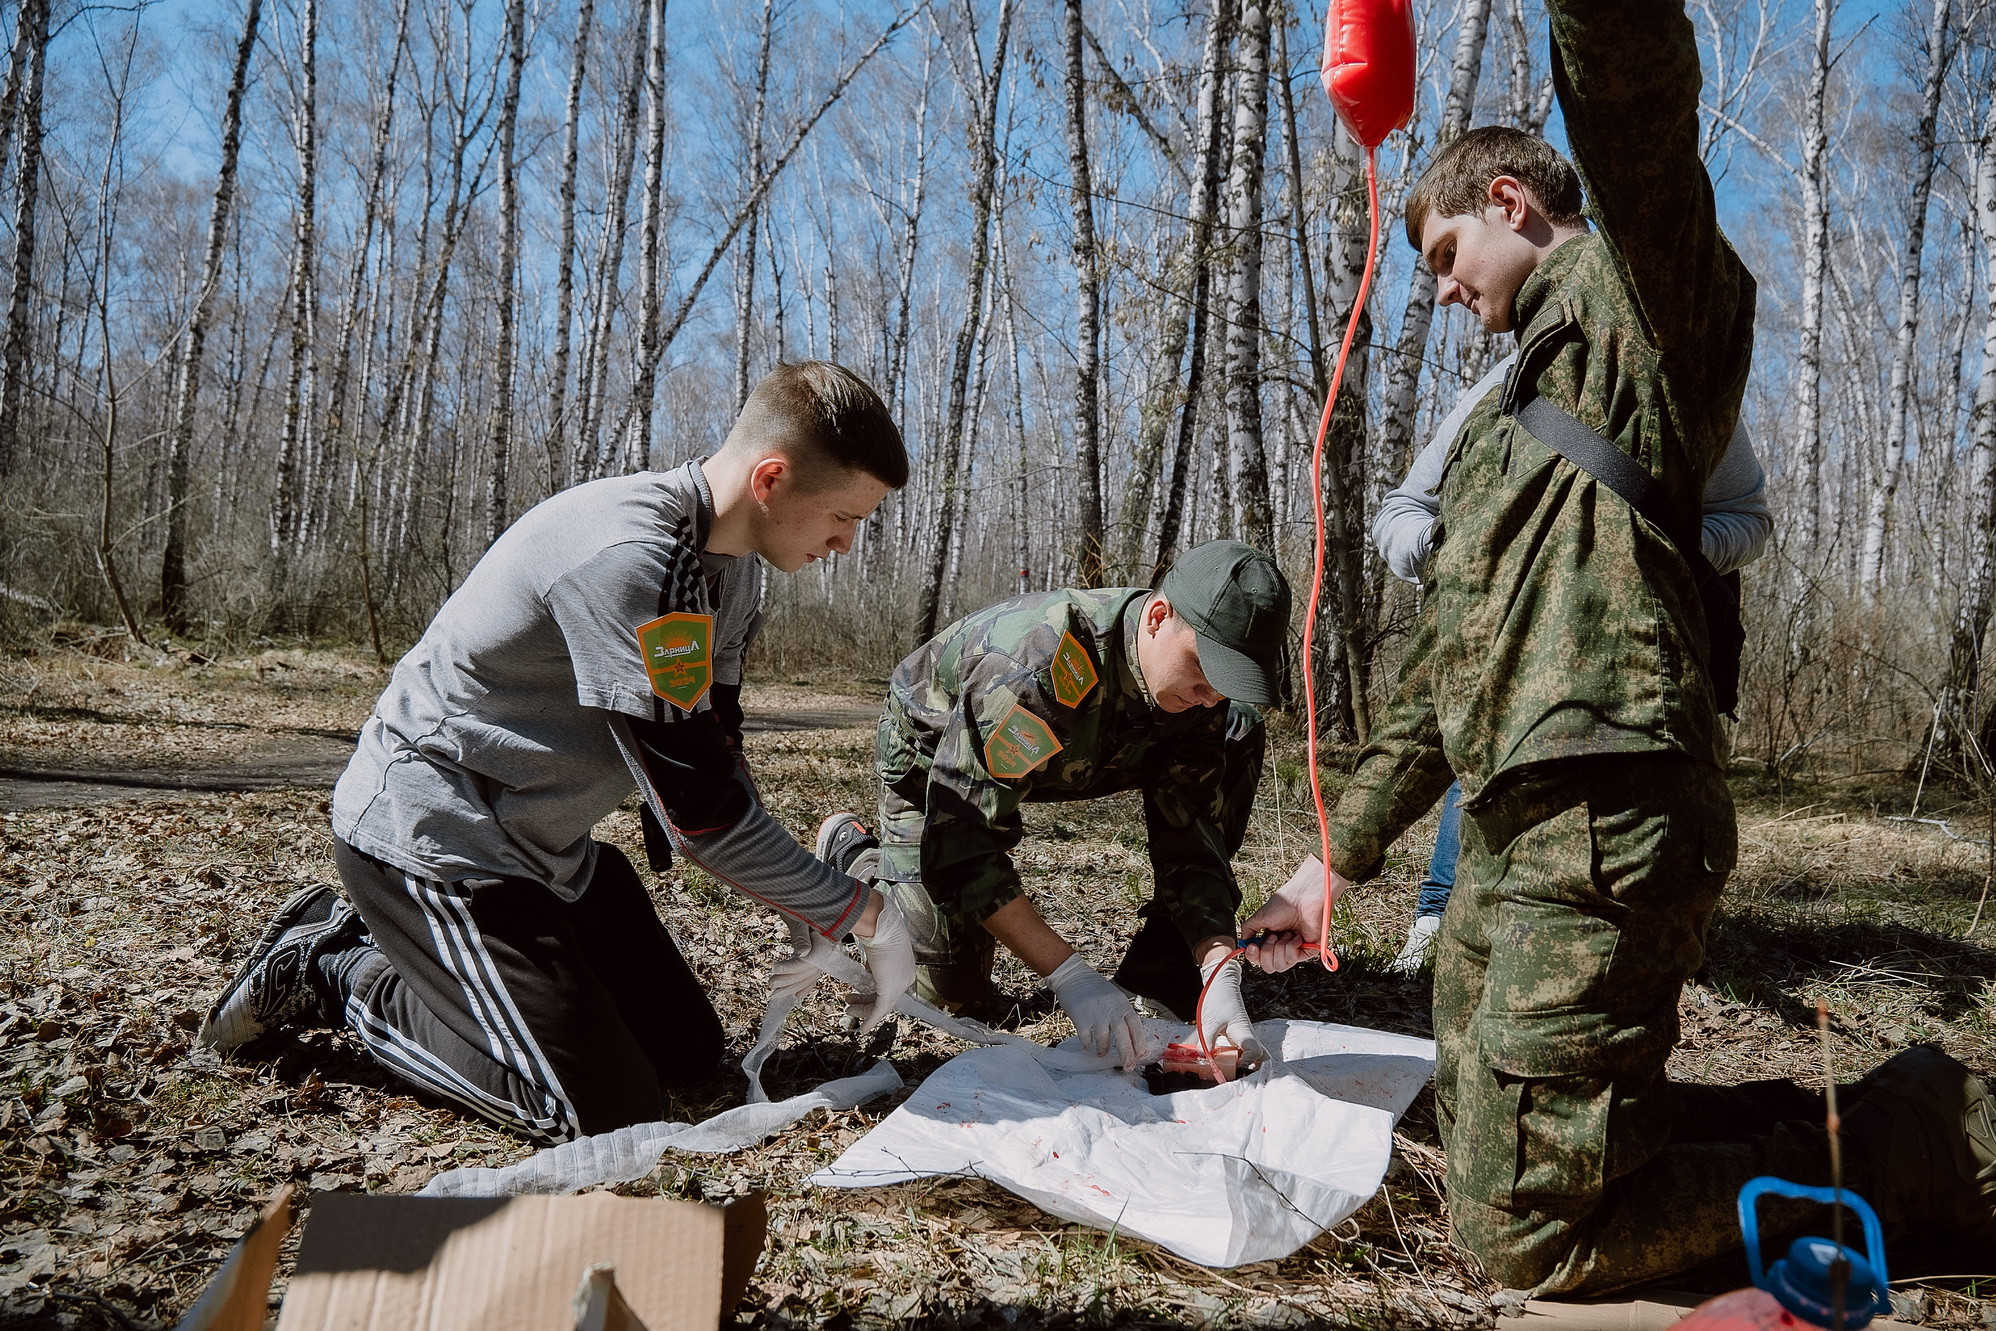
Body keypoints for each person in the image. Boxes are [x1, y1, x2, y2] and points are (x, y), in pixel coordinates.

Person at [1241, 0, 1994, 1295]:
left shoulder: (1642, 314)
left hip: (1611, 816)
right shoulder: (1502, 429)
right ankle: (1876, 1123)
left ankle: (1902, 1148)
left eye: (1442, 253)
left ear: (1512, 199)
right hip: (1512, 835)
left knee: (1533, 1228)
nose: (1442, 293)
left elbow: (1634, 98)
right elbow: (1437, 680)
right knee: (1496, 1148)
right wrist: (1333, 858)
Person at [199, 362, 919, 1144]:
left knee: (689, 1054)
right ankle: (340, 967)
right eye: (842, 516)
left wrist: (798, 901)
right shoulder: (633, 558)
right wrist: (865, 913)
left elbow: (714, 755)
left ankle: (489, 946)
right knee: (601, 1112)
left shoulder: (733, 571)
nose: (846, 543)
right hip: (437, 839)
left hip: (540, 846)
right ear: (772, 480)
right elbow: (703, 823)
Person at [815, 540, 1289, 1071]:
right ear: (1158, 617)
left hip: (1080, 754)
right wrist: (1068, 974)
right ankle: (859, 857)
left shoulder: (1198, 695)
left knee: (1239, 731)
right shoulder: (1037, 665)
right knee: (950, 998)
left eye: (1225, 685)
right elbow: (964, 842)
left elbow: (1191, 838)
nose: (1211, 697)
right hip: (937, 762)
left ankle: (1164, 959)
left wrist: (1218, 964)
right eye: (1205, 673)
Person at [1373, 357, 1773, 973]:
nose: (1451, 289)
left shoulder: (1685, 381)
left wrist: (1646, 553)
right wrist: (1459, 553)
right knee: (1475, 772)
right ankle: (1436, 922)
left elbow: (1747, 522)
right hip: (1498, 661)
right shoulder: (1505, 383)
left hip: (1642, 681)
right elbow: (1402, 512)